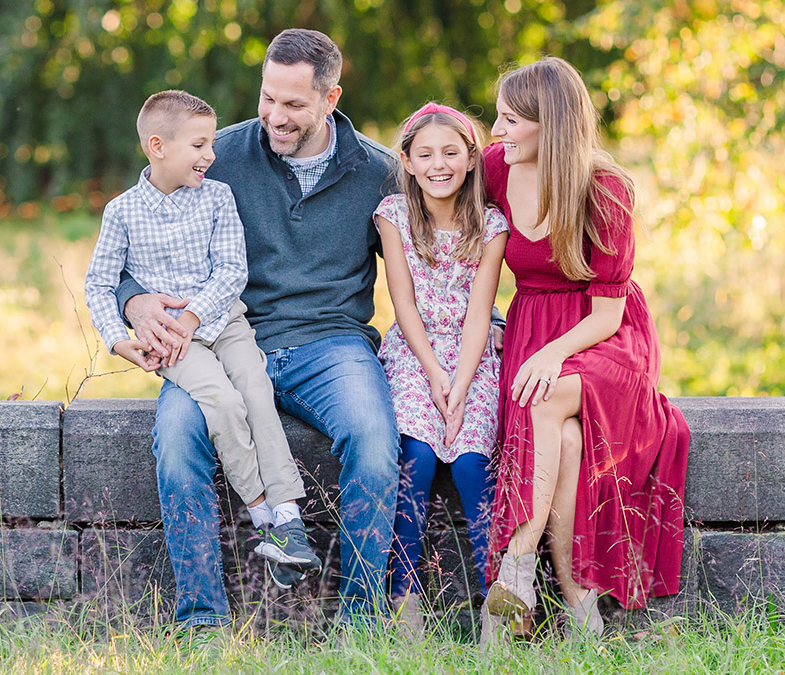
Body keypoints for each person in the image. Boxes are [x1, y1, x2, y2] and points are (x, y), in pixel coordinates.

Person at [113, 29, 402, 625]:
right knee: (175, 439)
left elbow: (433, 261)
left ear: (330, 98)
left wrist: (493, 320)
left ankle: (362, 621)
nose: (274, 115)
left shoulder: (377, 171)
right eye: (267, 97)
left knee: (374, 443)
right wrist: (134, 300)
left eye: (294, 104)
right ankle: (202, 621)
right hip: (221, 338)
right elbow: (132, 236)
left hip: (333, 345)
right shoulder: (216, 155)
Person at [480, 57, 691, 641]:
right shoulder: (498, 168)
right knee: (567, 437)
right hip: (533, 323)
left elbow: (608, 313)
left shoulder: (606, 189)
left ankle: (517, 568)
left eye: (510, 120)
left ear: (550, 124)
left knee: (543, 398)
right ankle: (579, 605)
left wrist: (553, 355)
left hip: (603, 338)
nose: (496, 133)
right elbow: (437, 199)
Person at [84, 90, 323, 598]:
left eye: (211, 142)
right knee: (222, 401)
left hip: (222, 320)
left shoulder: (217, 197)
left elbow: (232, 269)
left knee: (257, 391)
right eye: (198, 144)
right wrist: (115, 339)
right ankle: (263, 519)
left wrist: (194, 315)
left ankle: (289, 515)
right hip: (173, 341)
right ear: (157, 147)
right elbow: (100, 283)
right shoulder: (122, 213)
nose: (210, 155)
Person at [375, 103, 508, 637]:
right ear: (406, 161)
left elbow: (481, 313)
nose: (439, 164)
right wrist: (433, 375)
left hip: (473, 353)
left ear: (471, 159)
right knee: (419, 459)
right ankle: (405, 603)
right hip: (414, 352)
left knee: (476, 465)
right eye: (425, 154)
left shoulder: (492, 224)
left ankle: (497, 607)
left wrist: (460, 384)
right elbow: (402, 304)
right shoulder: (393, 215)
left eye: (451, 152)